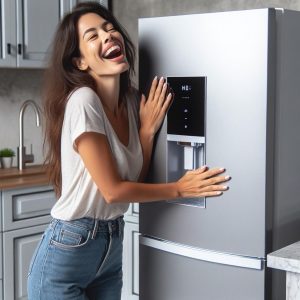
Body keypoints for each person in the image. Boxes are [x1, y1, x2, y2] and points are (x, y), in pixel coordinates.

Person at [27, 2, 230, 300]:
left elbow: (135, 177)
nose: (108, 36)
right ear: (80, 62)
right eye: (92, 36)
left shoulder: (132, 103)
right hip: (68, 251)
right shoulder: (84, 100)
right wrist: (180, 189)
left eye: (110, 29)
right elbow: (113, 191)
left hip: (110, 246)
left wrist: (147, 131)